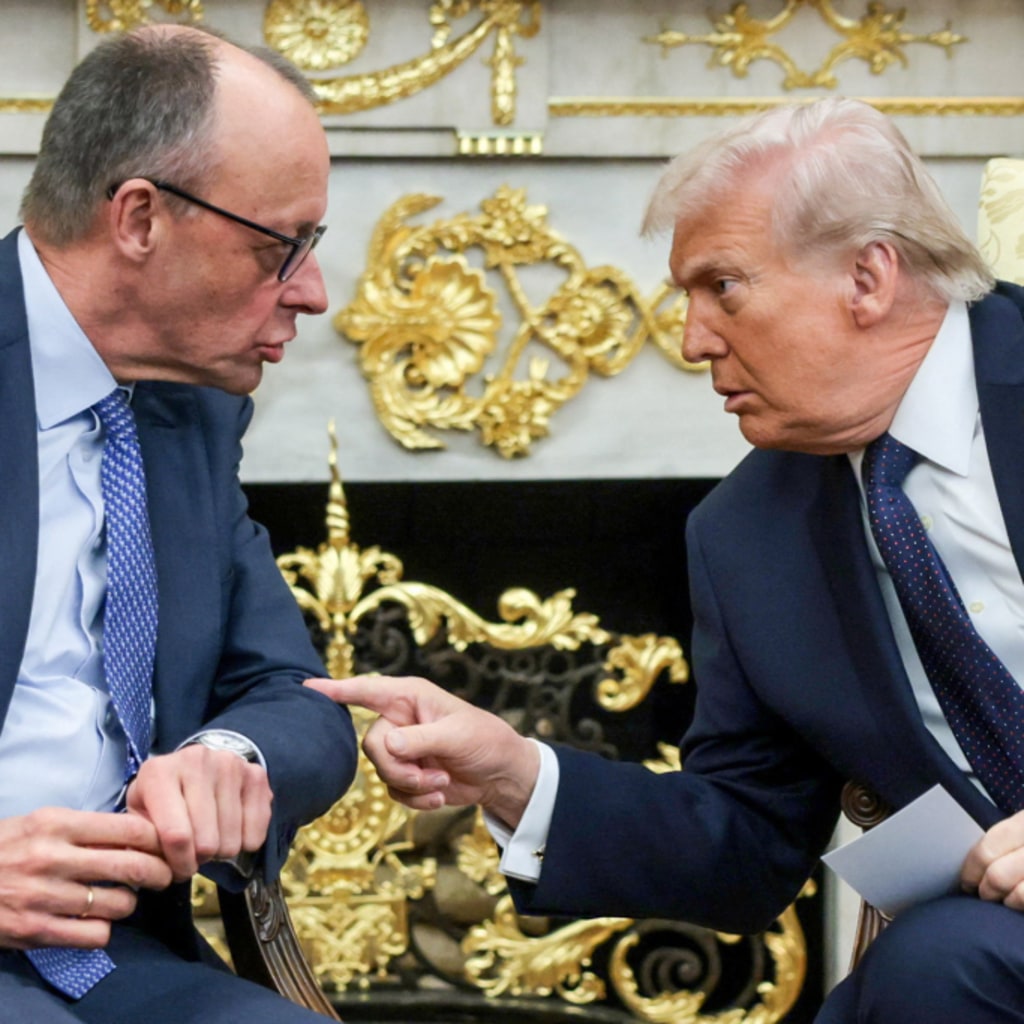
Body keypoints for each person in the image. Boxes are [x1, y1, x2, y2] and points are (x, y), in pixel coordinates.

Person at [307, 97, 1024, 1022]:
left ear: (867, 277)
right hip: (990, 937)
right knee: (933, 968)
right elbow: (749, 838)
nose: (692, 340)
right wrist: (516, 774)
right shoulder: (746, 534)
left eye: (722, 286)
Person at [1, 24, 357, 1024]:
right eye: (278, 246)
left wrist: (230, 760)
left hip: (116, 958)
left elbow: (296, 694)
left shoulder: (189, 413)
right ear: (140, 219)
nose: (312, 292)